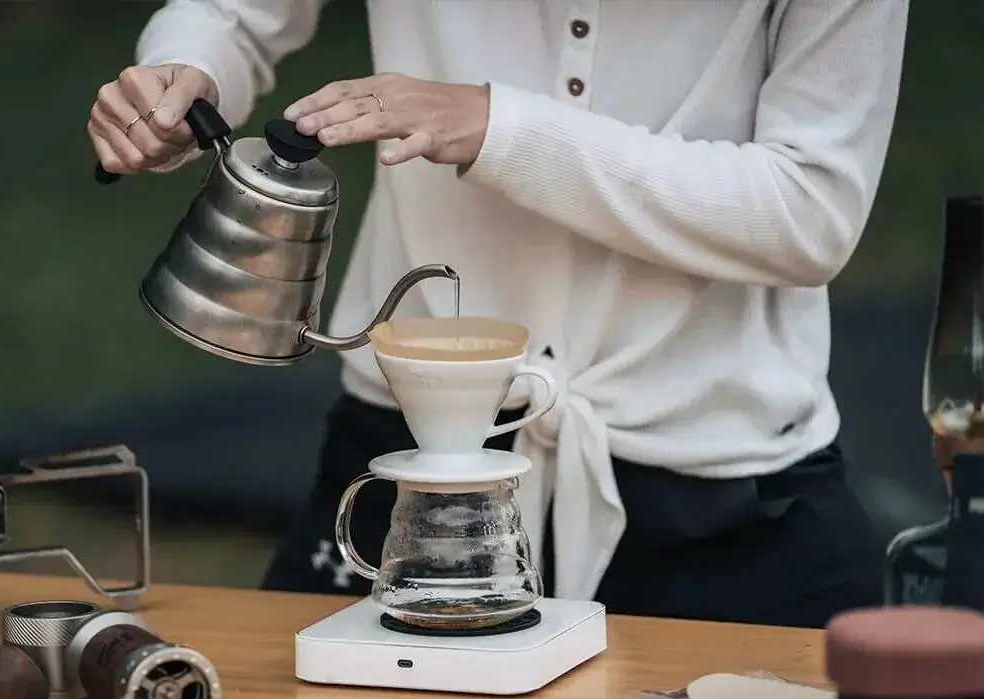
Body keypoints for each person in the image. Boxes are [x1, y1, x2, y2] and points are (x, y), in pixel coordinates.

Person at [89, 1, 909, 628]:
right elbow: (234, 15)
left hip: (720, 486)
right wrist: (186, 64)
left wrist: (503, 125)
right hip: (409, 450)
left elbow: (810, 210)